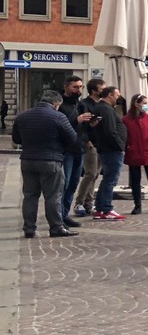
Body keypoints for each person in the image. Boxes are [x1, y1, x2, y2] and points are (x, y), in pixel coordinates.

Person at [12, 89, 85, 238]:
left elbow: (16, 139)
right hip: (51, 160)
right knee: (53, 196)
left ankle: (29, 228)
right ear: (56, 104)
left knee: (30, 196)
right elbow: (72, 138)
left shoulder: (23, 116)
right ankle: (56, 227)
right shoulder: (58, 117)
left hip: (28, 160)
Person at [122, 93, 148, 215]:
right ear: (136, 104)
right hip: (134, 152)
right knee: (135, 180)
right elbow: (123, 135)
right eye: (144, 103)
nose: (146, 106)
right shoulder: (126, 119)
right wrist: (126, 146)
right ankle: (137, 205)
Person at [90, 86, 128, 221]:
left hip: (107, 148)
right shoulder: (105, 109)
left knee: (107, 179)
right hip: (112, 149)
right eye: (117, 95)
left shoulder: (102, 108)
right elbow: (110, 131)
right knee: (111, 179)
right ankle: (106, 208)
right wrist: (120, 146)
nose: (118, 98)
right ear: (110, 95)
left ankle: (100, 208)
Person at [72, 77, 106, 216]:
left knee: (95, 174)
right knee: (90, 173)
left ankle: (88, 203)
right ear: (94, 91)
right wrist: (86, 140)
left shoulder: (103, 105)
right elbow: (81, 125)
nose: (104, 92)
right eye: (102, 89)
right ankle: (79, 202)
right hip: (89, 143)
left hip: (101, 143)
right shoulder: (83, 104)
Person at [57, 76, 86, 229]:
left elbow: (82, 128)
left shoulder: (79, 104)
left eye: (81, 87)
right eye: (75, 87)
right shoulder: (60, 105)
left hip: (79, 149)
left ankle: (65, 214)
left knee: (74, 183)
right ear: (66, 87)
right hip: (66, 150)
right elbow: (60, 126)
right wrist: (77, 120)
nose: (79, 90)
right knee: (65, 184)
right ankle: (59, 216)